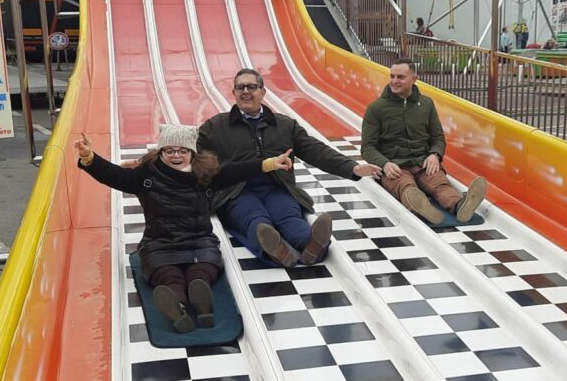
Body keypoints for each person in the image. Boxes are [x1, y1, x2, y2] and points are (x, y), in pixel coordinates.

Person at [74, 124, 292, 333]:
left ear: (192, 152)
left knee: (202, 270)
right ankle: (176, 306)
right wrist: (88, 157)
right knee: (168, 275)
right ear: (160, 151)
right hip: (160, 245)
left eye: (182, 151)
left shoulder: (204, 176)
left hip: (199, 242)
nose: (176, 155)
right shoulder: (146, 176)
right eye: (169, 150)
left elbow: (236, 172)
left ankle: (200, 297)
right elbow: (114, 176)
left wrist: (271, 163)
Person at [198, 68, 382, 268]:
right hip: (236, 191)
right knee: (255, 217)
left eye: (251, 87)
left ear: (263, 92)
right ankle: (274, 249)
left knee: (288, 216)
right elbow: (203, 166)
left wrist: (352, 168)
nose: (245, 92)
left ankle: (312, 245)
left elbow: (315, 151)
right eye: (240, 87)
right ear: (233, 93)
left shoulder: (284, 125)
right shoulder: (215, 127)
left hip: (278, 186)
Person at [361, 58, 487, 224]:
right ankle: (420, 206)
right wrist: (384, 164)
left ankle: (460, 205)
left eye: (400, 77)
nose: (394, 81)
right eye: (392, 76)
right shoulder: (376, 108)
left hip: (422, 162)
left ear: (414, 79)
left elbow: (437, 137)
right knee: (405, 186)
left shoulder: (426, 104)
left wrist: (434, 155)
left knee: (439, 184)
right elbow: (367, 147)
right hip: (395, 164)